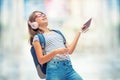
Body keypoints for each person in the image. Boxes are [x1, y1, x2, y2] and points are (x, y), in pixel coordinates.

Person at [28, 11, 87, 80]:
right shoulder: (38, 38)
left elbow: (70, 50)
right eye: (39, 15)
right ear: (34, 24)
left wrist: (79, 32)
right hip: (54, 70)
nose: (43, 15)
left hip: (69, 68)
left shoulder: (58, 32)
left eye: (43, 14)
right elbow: (41, 60)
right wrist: (56, 52)